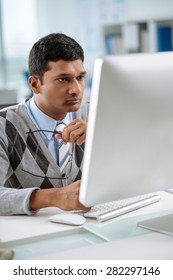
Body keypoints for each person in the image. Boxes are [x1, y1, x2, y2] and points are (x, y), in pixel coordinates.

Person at [0, 33, 90, 216]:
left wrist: (102, 137)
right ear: (35, 84)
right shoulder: (4, 125)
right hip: (29, 237)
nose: (76, 90)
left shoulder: (93, 115)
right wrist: (54, 197)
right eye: (63, 79)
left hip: (89, 229)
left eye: (80, 78)